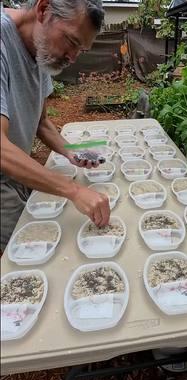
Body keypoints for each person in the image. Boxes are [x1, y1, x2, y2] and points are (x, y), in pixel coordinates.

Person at [0, 0, 110, 252]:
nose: (72, 57)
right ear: (43, 9)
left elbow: (41, 122)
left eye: (80, 49)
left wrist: (71, 151)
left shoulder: (42, 49)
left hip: (18, 172)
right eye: (72, 41)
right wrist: (73, 191)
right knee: (27, 256)